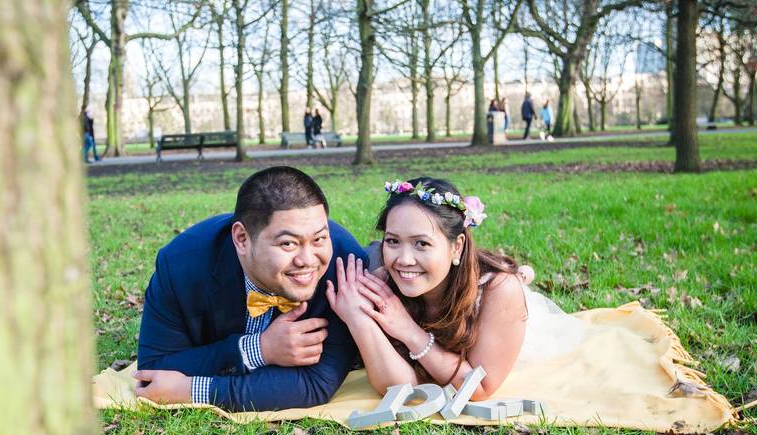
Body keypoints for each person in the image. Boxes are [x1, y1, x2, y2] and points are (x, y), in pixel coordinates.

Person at [326, 176, 586, 400]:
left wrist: (408, 330)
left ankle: (521, 274)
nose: (403, 258)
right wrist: (359, 319)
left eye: (421, 244)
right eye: (393, 240)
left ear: (457, 246)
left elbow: (479, 388)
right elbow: (398, 388)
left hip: (498, 310)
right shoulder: (386, 282)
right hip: (448, 275)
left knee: (513, 279)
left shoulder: (499, 292)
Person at [134, 166, 368, 411]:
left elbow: (316, 383)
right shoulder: (181, 264)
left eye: (319, 239)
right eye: (288, 243)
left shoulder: (345, 264)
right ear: (242, 239)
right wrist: (260, 349)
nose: (308, 260)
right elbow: (154, 369)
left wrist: (193, 390)